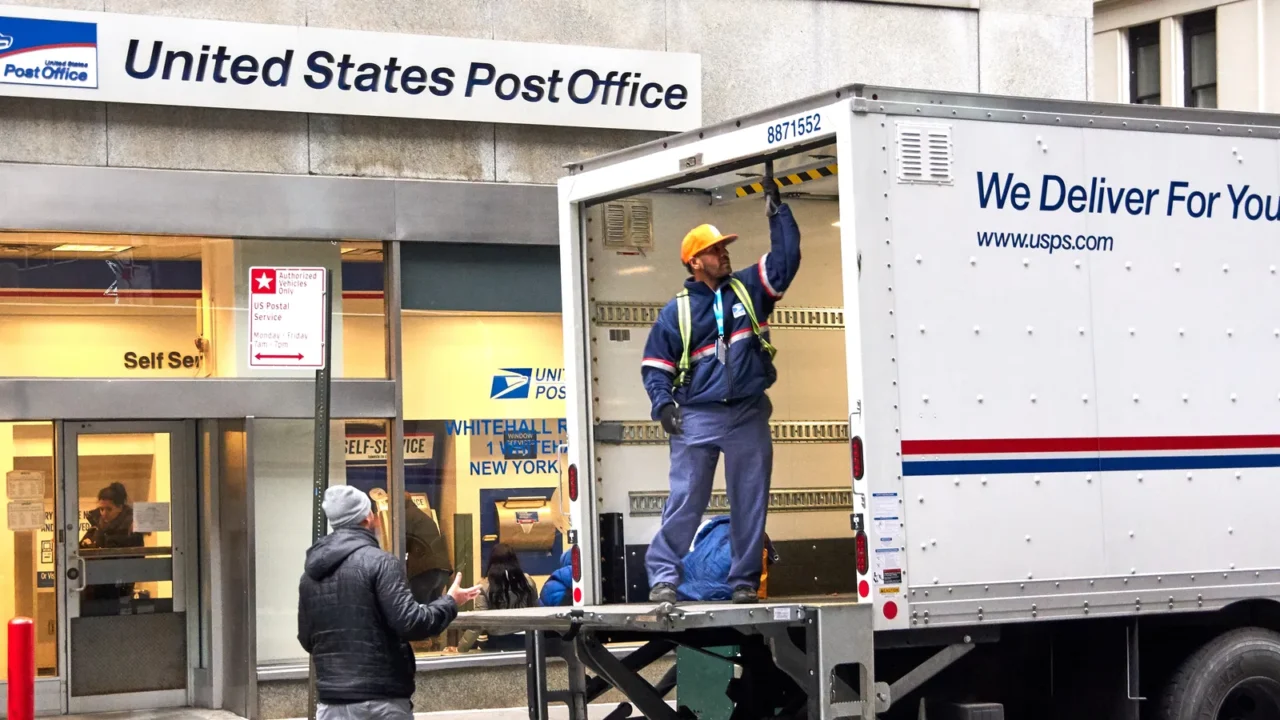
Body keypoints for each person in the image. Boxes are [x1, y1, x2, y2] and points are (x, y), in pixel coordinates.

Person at [639, 169, 801, 605]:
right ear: (694, 262)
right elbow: (655, 367)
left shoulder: (749, 288)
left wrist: (778, 212)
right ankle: (663, 578)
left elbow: (785, 261)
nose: (723, 254)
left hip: (747, 412)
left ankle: (743, 582)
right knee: (686, 500)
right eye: (714, 250)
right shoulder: (676, 313)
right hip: (697, 415)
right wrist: (663, 407)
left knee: (750, 500)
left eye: (724, 248)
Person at [298, 485, 480, 720]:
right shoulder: (382, 563)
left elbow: (307, 639)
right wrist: (450, 602)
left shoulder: (311, 573)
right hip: (381, 702)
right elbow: (411, 623)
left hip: (332, 703)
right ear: (368, 517)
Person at [454, 543, 539, 653]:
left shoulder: (484, 586)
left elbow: (479, 622)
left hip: (498, 641)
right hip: (525, 640)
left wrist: (461, 648)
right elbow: (536, 611)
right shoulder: (527, 581)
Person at [79, 482, 145, 606]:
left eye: (109, 509)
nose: (104, 513)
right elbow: (79, 550)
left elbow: (133, 561)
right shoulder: (96, 528)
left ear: (120, 508)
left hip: (116, 592)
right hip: (93, 591)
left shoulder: (129, 530)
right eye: (101, 509)